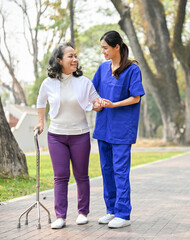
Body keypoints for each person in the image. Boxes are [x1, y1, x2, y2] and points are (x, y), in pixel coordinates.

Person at [34, 42, 101, 229]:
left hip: (80, 135)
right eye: (70, 56)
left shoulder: (84, 82)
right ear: (59, 60)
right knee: (60, 176)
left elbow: (95, 100)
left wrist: (98, 104)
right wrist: (41, 122)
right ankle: (60, 216)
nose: (75, 59)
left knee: (81, 175)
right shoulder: (48, 83)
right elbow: (41, 103)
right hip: (56, 135)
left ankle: (82, 212)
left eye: (75, 56)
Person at [92, 30, 145, 228]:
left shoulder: (132, 69)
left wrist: (114, 105)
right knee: (106, 170)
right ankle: (111, 210)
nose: (103, 52)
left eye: (105, 48)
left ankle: (123, 214)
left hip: (122, 129)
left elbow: (136, 97)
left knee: (120, 171)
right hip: (104, 127)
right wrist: (96, 104)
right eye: (101, 48)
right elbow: (93, 92)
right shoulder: (103, 68)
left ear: (116, 47)